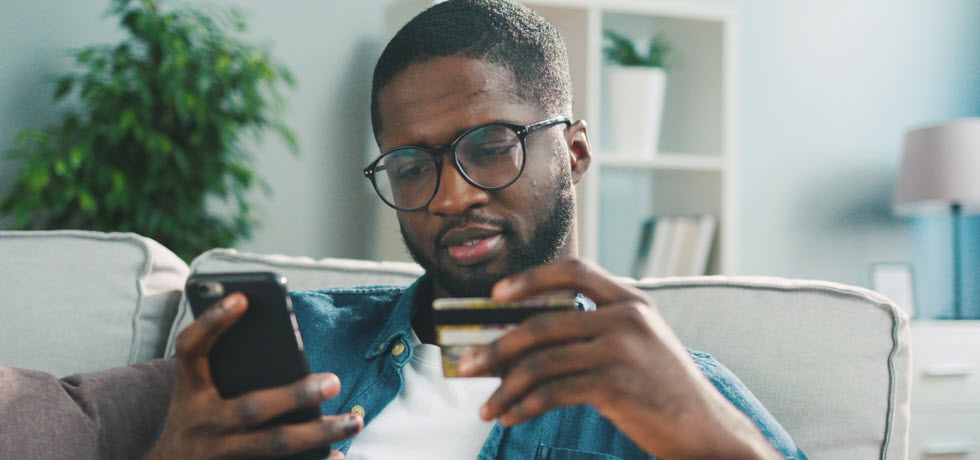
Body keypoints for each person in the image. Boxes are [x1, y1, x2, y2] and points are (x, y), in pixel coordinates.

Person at [145, 1, 805, 459]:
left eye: (491, 145)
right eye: (410, 165)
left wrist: (710, 436)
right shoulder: (305, 342)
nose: (452, 196)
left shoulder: (669, 387)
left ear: (573, 154)